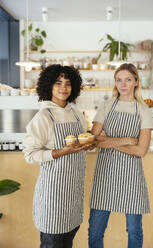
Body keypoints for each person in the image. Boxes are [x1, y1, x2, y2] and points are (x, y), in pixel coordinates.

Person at [23, 64, 95, 248]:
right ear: (49, 86)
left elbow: (79, 143)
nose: (63, 88)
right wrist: (60, 152)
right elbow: (30, 155)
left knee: (67, 242)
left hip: (73, 194)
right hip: (53, 196)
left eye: (68, 83)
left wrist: (88, 145)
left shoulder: (77, 114)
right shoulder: (43, 116)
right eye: (58, 83)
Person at [88, 63, 153, 248]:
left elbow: (141, 151)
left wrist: (108, 141)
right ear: (115, 83)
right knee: (95, 232)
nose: (123, 84)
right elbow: (94, 141)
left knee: (134, 232)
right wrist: (127, 140)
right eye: (119, 80)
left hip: (131, 177)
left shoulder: (144, 111)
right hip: (105, 177)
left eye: (128, 80)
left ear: (136, 82)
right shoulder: (106, 106)